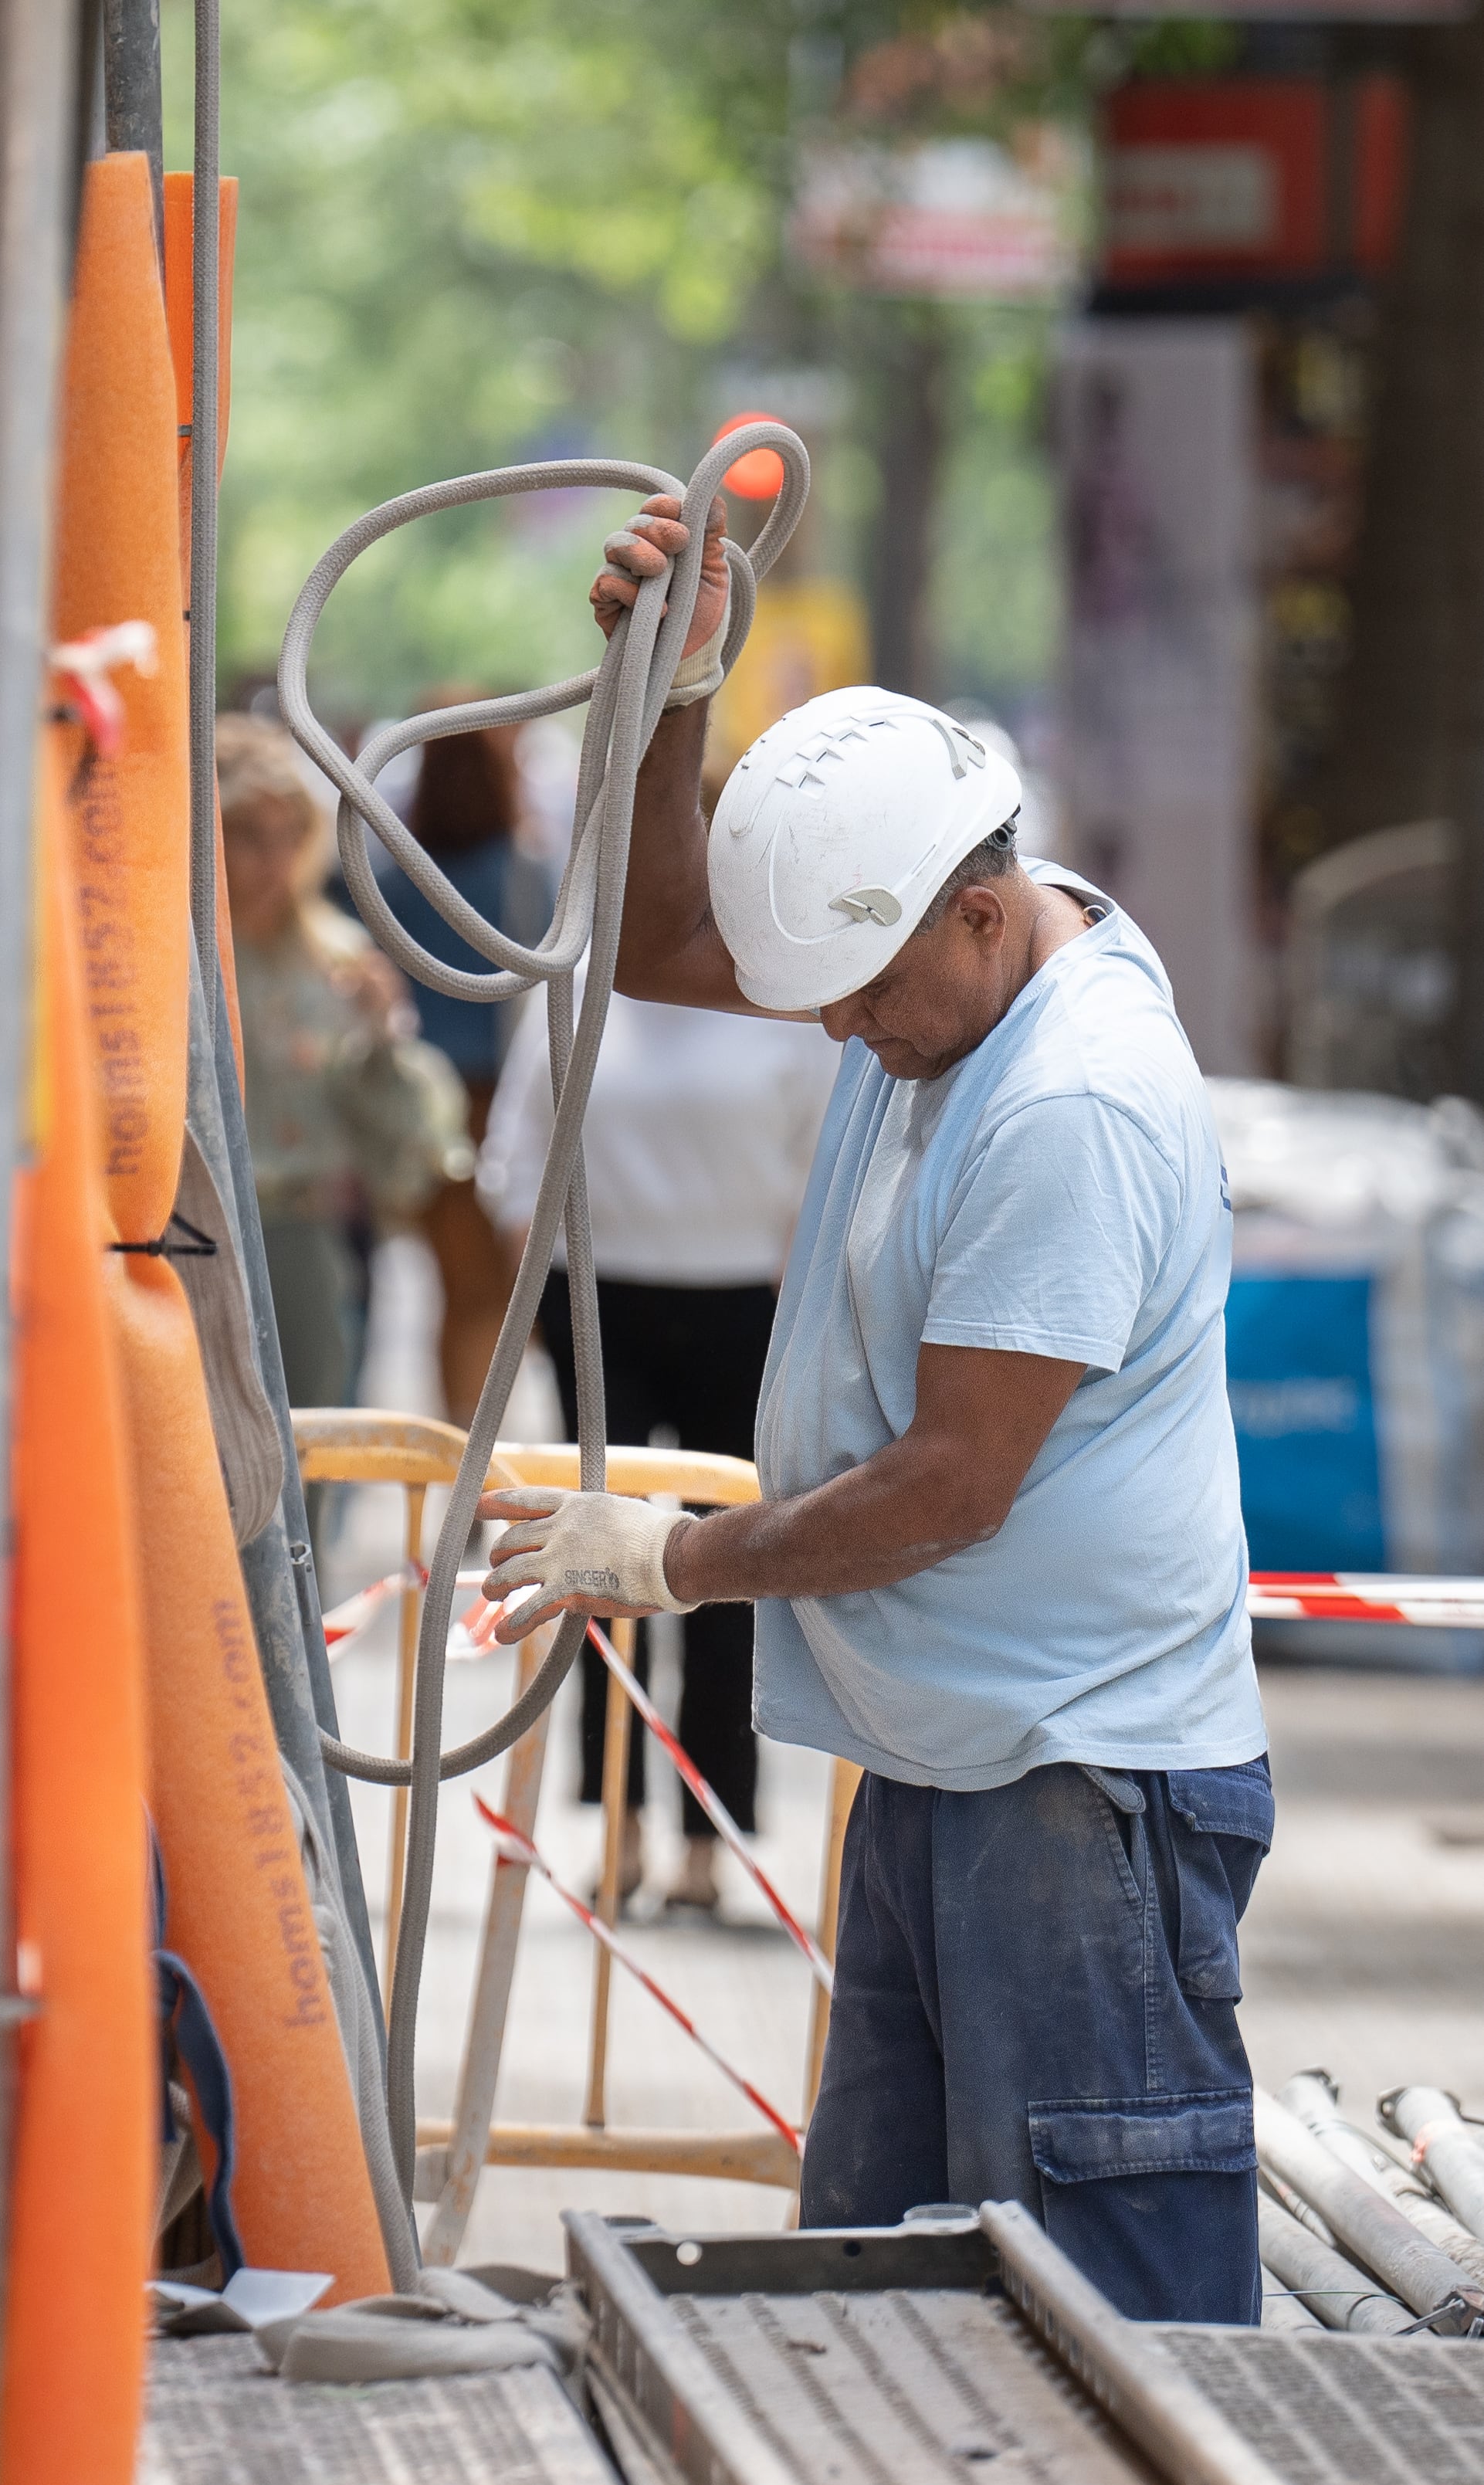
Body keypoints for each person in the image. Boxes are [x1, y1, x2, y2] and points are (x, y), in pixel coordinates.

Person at [480, 493, 1269, 2327]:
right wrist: (678, 690)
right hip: (953, 1762)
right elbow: (667, 938)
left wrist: (677, 1563)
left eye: (856, 994)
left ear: (979, 914)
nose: (829, 1034)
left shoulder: (1068, 1103)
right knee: (882, 2301)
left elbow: (954, 1483)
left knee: (1107, 2316)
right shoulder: (954, 980)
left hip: (1080, 1784)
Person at [476, 974, 836, 1915]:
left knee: (728, 1570)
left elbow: (825, 1153)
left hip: (740, 1302)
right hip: (598, 1299)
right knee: (594, 1567)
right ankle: (618, 1824)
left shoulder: (774, 994)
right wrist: (539, 1277)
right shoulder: (585, 974)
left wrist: (791, 1283)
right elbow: (513, 1147)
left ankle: (706, 1839)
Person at [213, 715, 473, 1414]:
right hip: (197, 1230)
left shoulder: (335, 954)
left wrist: (382, 1038)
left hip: (303, 1230)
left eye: (288, 836)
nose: (272, 861)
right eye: (246, 836)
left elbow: (404, 1134)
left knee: (310, 1451)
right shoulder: (182, 948)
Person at [364, 697, 552, 1426]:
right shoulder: (527, 868)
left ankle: (462, 1459)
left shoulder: (390, 874)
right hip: (507, 1101)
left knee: (459, 1296)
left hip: (422, 1108)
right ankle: (492, 1463)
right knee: (510, 1293)